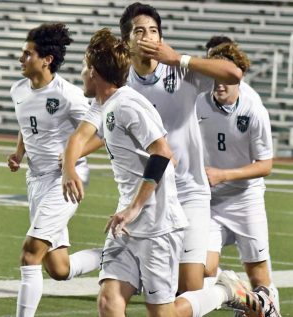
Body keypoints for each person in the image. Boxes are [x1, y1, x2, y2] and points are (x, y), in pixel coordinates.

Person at [62, 27, 262, 317]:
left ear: (93, 72)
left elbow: (163, 153)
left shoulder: (128, 104)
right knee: (109, 301)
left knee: (165, 313)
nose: (80, 73)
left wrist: (134, 208)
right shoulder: (104, 104)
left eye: (83, 67)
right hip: (127, 227)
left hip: (156, 226)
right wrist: (69, 167)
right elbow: (78, 137)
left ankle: (226, 290)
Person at [119, 2, 243, 295]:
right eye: (140, 31)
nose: (149, 37)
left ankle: (230, 292)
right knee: (156, 289)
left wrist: (180, 59)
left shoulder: (180, 71)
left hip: (190, 192)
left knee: (188, 288)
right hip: (150, 195)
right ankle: (225, 287)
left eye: (154, 31)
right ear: (127, 42)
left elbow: (233, 74)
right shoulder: (122, 84)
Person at [7, 23, 101, 317]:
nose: (21, 59)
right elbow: (27, 125)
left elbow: (102, 132)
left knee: (30, 253)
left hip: (65, 181)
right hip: (35, 180)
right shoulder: (18, 89)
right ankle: (119, 253)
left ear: (46, 59)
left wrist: (73, 157)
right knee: (59, 268)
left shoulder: (68, 95)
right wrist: (18, 152)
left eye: (27, 54)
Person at [196, 42, 281, 317]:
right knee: (203, 270)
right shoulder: (198, 102)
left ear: (238, 76)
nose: (219, 84)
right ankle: (234, 288)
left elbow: (266, 164)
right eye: (214, 76)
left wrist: (224, 174)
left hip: (246, 198)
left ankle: (265, 308)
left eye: (226, 78)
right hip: (211, 199)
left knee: (259, 278)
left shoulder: (254, 108)